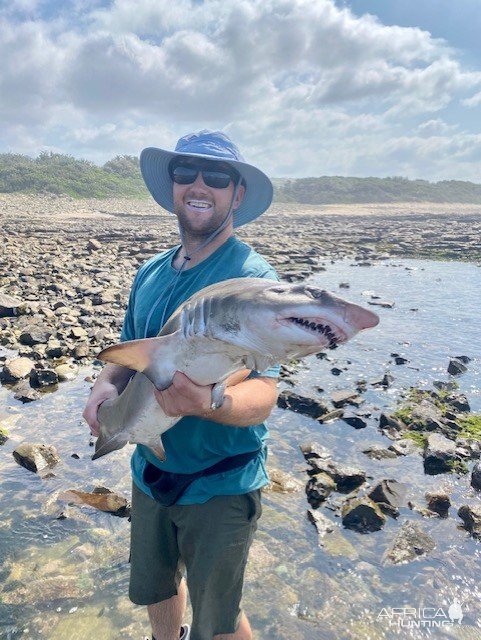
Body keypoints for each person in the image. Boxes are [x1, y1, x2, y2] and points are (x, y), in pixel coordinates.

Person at [83, 130, 280, 640]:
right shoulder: (151, 272)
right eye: (185, 172)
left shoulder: (250, 280)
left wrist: (210, 402)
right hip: (151, 467)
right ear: (171, 187)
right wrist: (102, 387)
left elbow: (264, 394)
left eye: (216, 177)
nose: (199, 184)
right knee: (158, 588)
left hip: (220, 479)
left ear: (237, 194)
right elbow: (127, 355)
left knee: (220, 613)